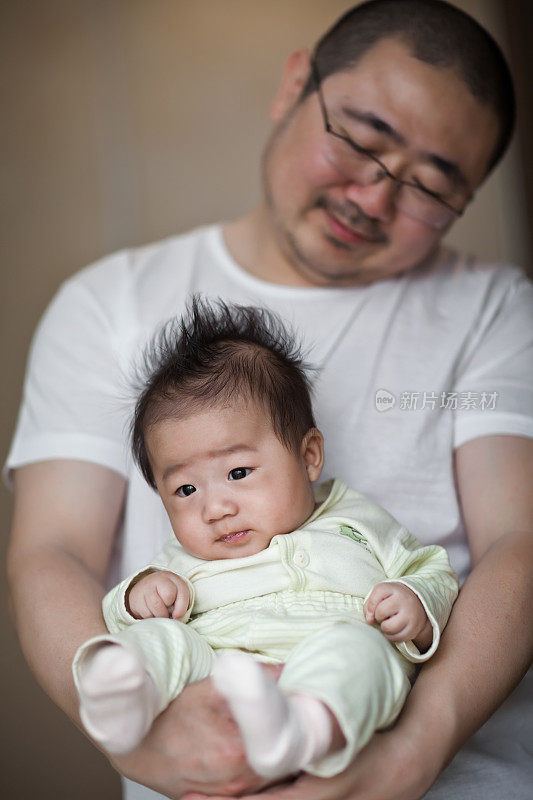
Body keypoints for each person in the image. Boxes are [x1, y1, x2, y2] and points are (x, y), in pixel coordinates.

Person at [5, 1, 533, 799]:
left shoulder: (494, 307)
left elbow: (518, 543)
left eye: (429, 188)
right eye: (358, 139)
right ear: (293, 86)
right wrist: (141, 745)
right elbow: (53, 551)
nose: (372, 197)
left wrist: (412, 752)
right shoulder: (107, 302)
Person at [72, 298, 458, 779]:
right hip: (214, 675)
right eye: (186, 489)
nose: (215, 508)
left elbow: (432, 570)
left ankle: (301, 729)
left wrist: (416, 601)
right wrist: (135, 599)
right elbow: (121, 611)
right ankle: (123, 698)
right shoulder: (177, 561)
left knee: (362, 652)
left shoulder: (359, 521)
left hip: (329, 661)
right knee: (162, 637)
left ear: (309, 455)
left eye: (238, 471)